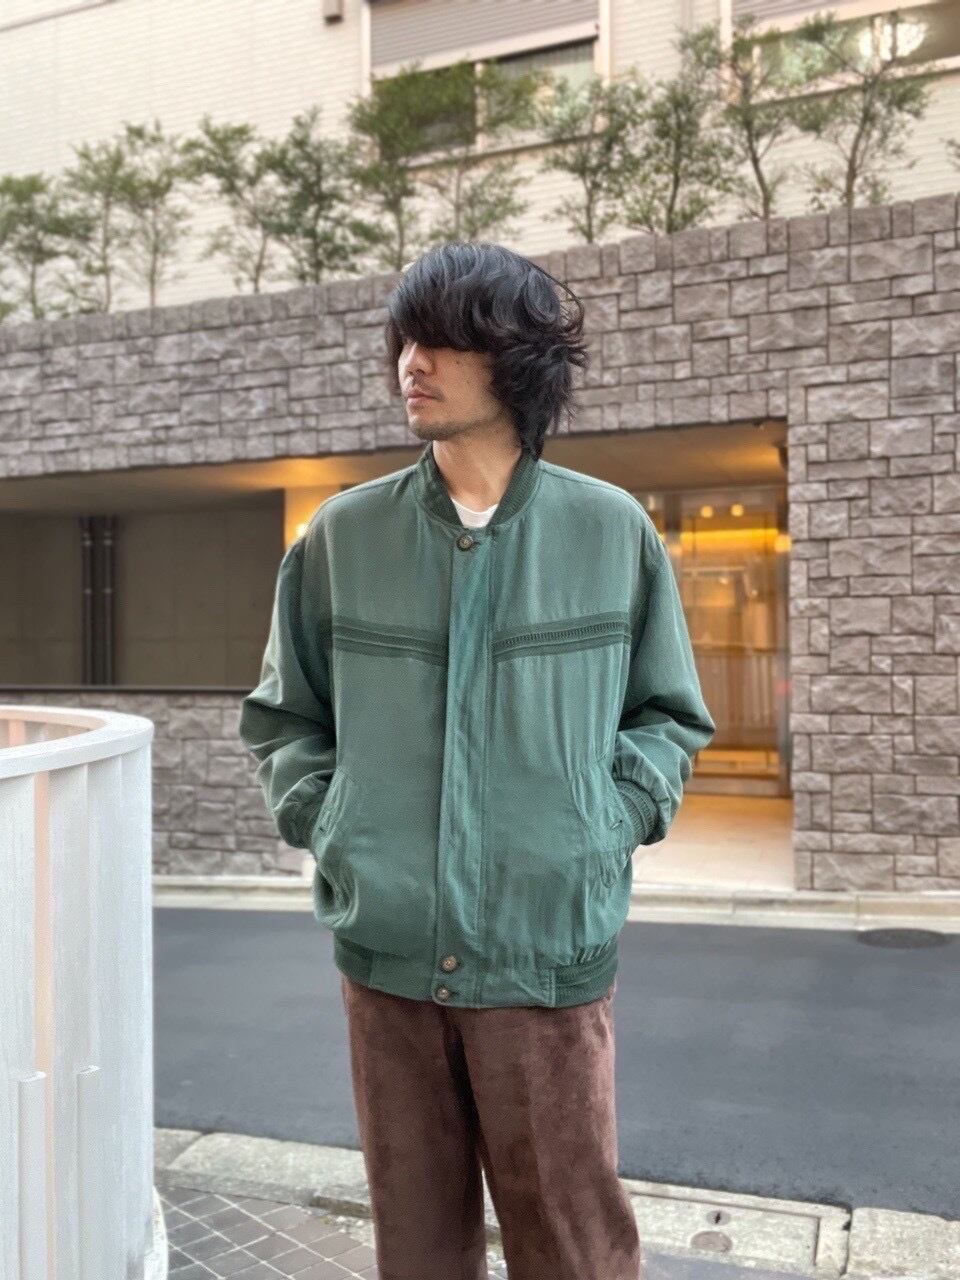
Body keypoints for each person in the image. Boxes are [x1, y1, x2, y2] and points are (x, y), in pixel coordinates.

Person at [238, 241, 716, 1280]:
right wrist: (337, 825)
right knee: (416, 1246)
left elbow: (667, 715)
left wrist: (604, 822)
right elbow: (285, 717)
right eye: (404, 338)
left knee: (574, 1245)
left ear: (516, 358)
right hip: (390, 959)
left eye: (443, 339)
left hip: (544, 956)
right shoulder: (341, 538)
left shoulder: (609, 532)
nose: (412, 361)